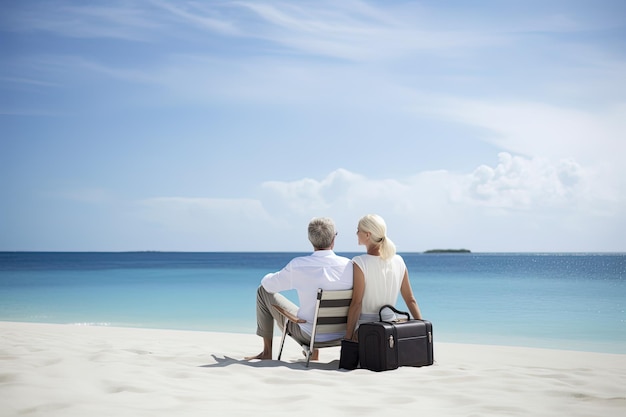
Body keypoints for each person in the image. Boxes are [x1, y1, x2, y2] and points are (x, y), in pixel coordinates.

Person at [246, 217, 353, 360]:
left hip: (310, 335)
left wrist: (271, 275)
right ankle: (313, 352)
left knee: (262, 291)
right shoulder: (350, 266)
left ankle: (266, 352)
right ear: (333, 238)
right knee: (311, 311)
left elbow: (268, 286)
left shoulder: (299, 265)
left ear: (310, 239)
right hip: (342, 334)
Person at [344, 214, 423, 341]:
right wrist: (421, 329)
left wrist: (347, 339)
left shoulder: (360, 262)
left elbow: (356, 303)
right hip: (390, 329)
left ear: (368, 235)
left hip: (367, 331)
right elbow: (410, 300)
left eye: (358, 230)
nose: (356, 233)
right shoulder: (399, 261)